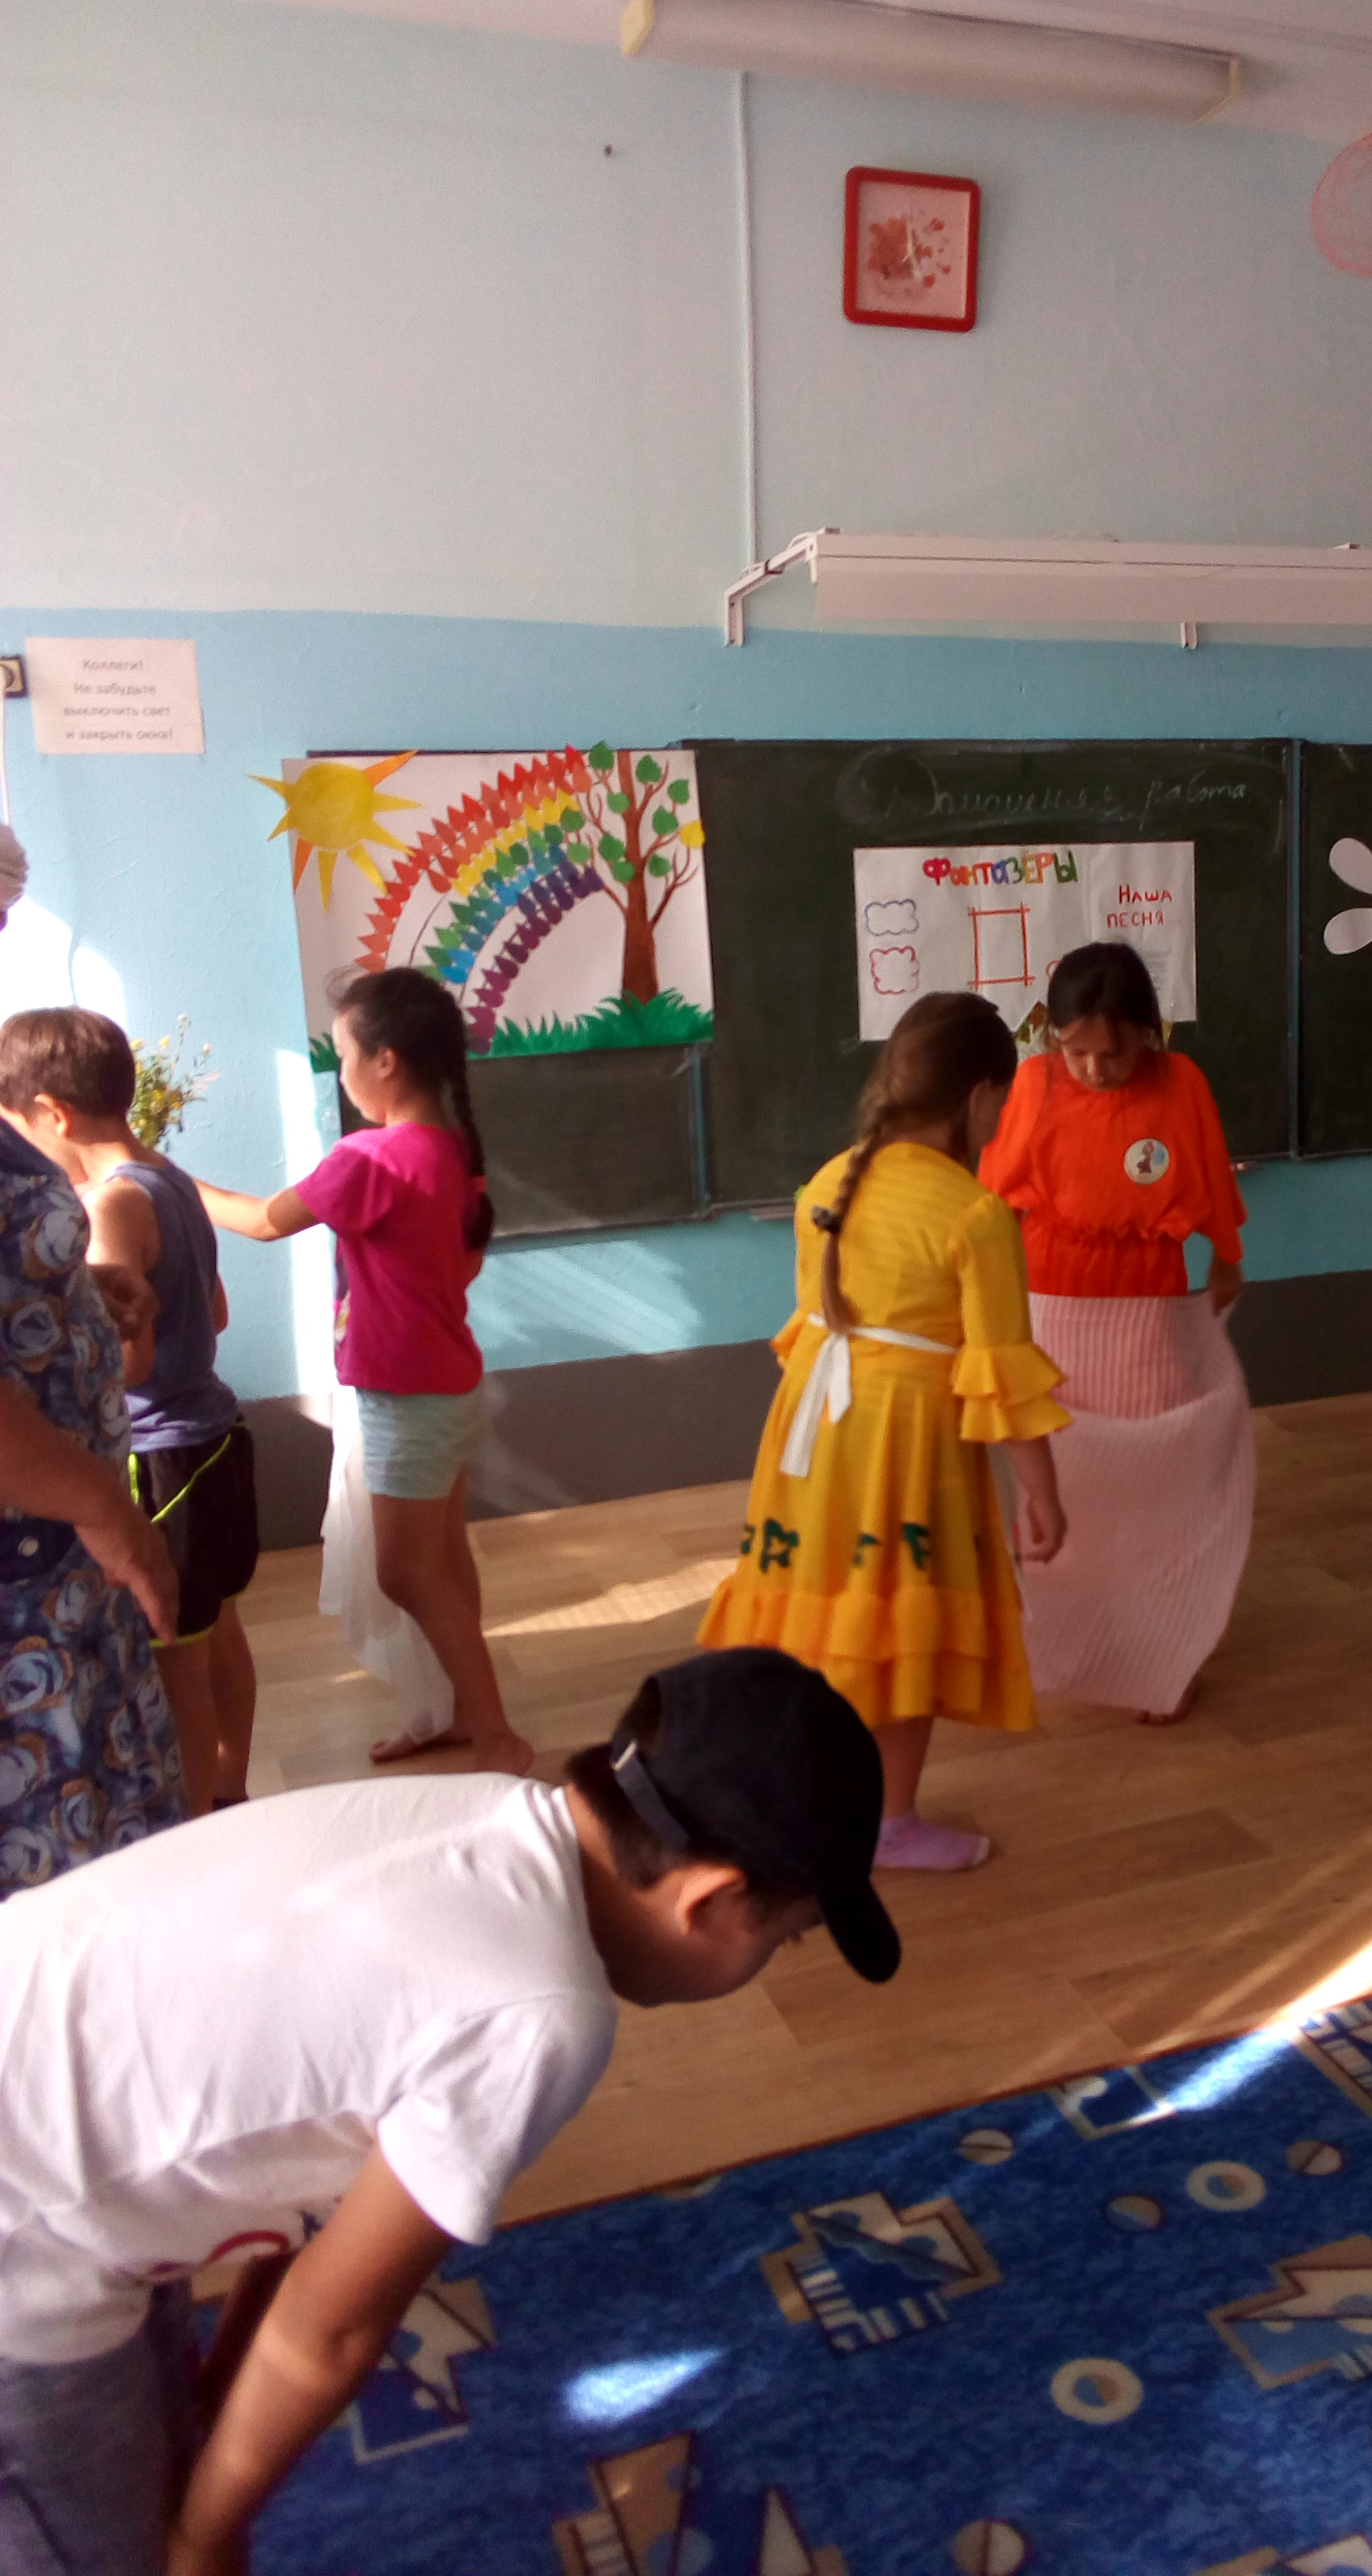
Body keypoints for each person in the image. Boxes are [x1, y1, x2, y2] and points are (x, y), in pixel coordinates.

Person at [0, 1644, 898, 2576]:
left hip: (61, 2113)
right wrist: (200, 2537)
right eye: (789, 1940)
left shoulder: (483, 1814)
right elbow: (326, 2334)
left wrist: (215, 2431)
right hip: (30, 2236)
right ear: (711, 1900)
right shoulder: (541, 2014)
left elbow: (313, 2204)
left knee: (169, 2451)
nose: (774, 1959)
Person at [697, 992, 1069, 1872]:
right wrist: (1044, 1495)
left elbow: (811, 1320)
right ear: (980, 1095)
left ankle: (801, 1793)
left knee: (823, 1610)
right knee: (902, 1621)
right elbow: (1001, 1373)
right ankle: (889, 1822)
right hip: (908, 1442)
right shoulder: (975, 1215)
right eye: (1003, 1103)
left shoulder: (825, 1183)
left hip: (815, 1433)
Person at [197, 968, 531, 1774]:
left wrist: (175, 1183)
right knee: (444, 1558)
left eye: (345, 1055)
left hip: (409, 1393)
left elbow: (264, 1221)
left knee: (406, 1572)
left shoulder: (369, 1160)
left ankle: (496, 1734)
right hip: (449, 1382)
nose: (342, 1073)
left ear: (386, 1061)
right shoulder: (453, 1152)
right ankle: (463, 1713)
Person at [980, 942, 1253, 1721]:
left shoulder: (1181, 1082)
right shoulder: (1034, 1084)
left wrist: (1226, 1258)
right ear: (1052, 1039)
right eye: (1078, 1053)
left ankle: (1162, 1650)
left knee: (1152, 1481)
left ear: (1147, 1035)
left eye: (1115, 1052)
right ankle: (1064, 1638)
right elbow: (994, 1203)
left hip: (1147, 1303)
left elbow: (1210, 1175)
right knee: (1064, 1479)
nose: (1096, 1069)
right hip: (1051, 1302)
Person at [0, 1006, 259, 1814]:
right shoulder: (171, 1178)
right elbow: (215, 1313)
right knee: (218, 1630)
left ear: (53, 1114)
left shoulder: (113, 1204)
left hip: (162, 1457)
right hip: (215, 1437)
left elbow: (130, 1357)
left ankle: (198, 1820)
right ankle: (231, 1786)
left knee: (176, 1660)